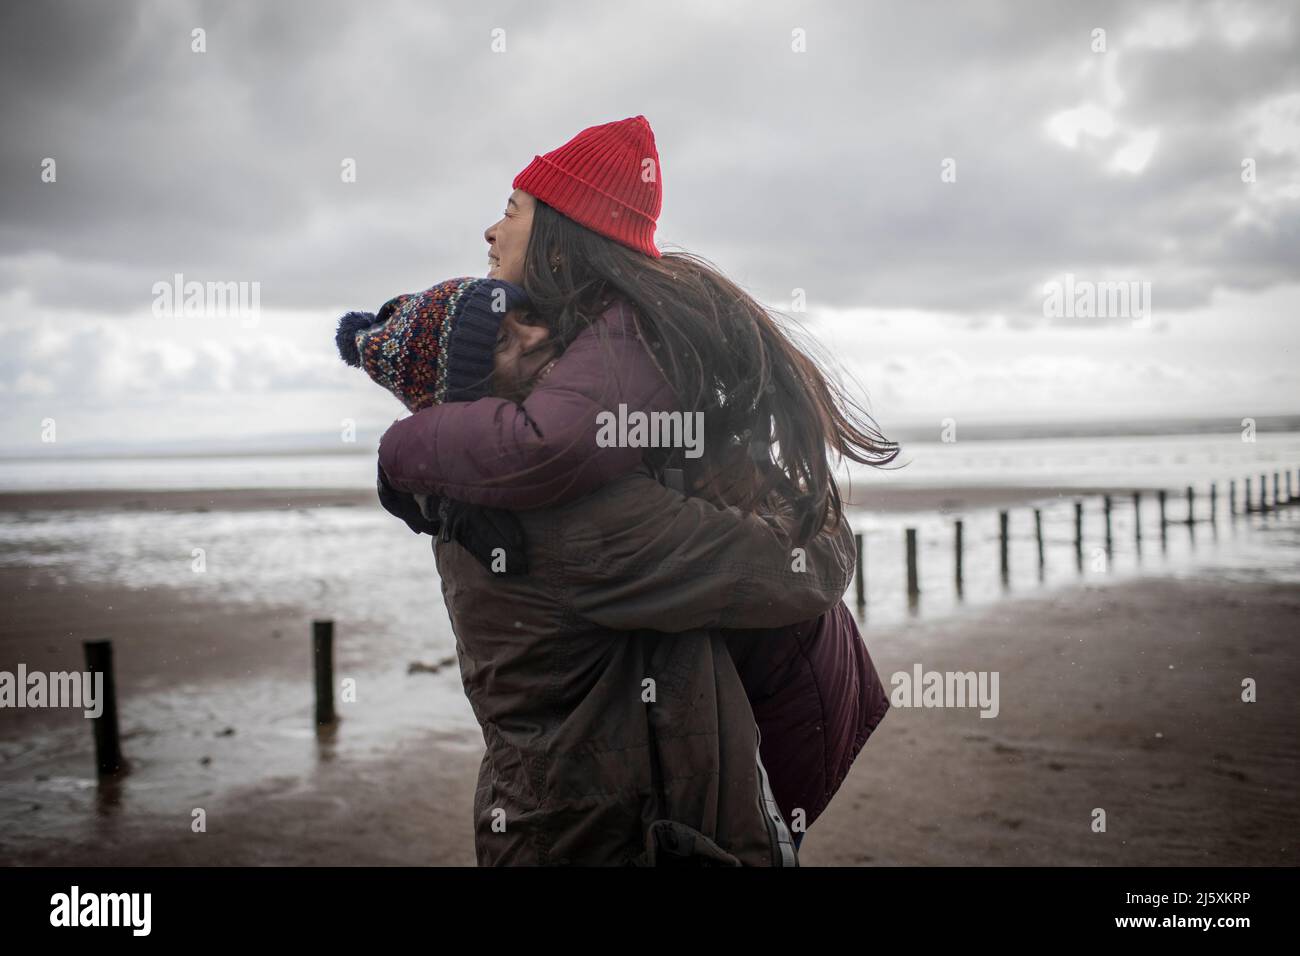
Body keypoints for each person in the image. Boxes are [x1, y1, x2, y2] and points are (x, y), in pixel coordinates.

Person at [375, 116, 901, 860]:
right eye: (501, 342)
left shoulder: (482, 476)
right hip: (636, 844)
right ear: (463, 398)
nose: (534, 337)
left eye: (527, 320)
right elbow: (789, 576)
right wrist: (821, 522)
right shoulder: (568, 513)